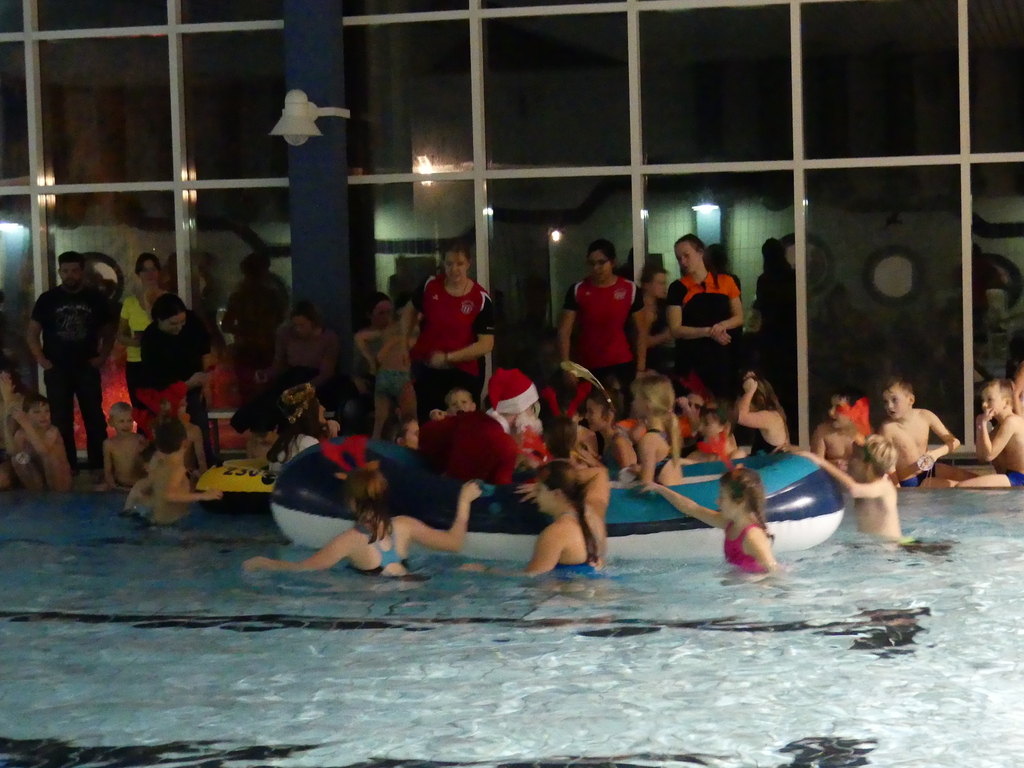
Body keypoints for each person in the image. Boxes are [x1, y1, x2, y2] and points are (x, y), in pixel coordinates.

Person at [243, 465, 481, 577]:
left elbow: (303, 568)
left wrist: (264, 562)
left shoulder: (350, 540)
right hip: (414, 584)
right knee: (471, 568)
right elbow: (455, 543)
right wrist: (464, 501)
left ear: (351, 502)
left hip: (379, 600)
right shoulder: (405, 526)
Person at [26, 251, 115, 475]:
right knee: (60, 419)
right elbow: (32, 333)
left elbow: (109, 332)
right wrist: (42, 361)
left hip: (87, 366)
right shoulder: (47, 299)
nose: (70, 275)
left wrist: (102, 358)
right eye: (65, 271)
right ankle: (67, 467)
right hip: (57, 368)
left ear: (82, 271)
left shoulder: (95, 298)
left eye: (74, 270)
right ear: (59, 272)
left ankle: (99, 467)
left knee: (94, 418)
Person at [403, 243, 495, 423]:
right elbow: (409, 310)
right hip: (429, 367)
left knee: (462, 423)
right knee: (429, 421)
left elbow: (486, 344)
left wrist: (448, 358)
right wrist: (404, 343)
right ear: (443, 264)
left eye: (459, 264)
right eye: (449, 263)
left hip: (463, 371)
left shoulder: (480, 298)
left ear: (468, 264)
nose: (454, 269)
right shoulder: (430, 285)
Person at [466, 460, 604, 576]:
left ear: (557, 494)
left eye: (538, 490)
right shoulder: (593, 518)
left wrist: (486, 570)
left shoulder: (556, 533)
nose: (536, 496)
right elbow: (600, 473)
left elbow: (531, 578)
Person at [231, 301, 341, 435]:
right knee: (269, 400)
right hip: (291, 378)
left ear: (313, 323)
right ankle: (257, 429)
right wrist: (265, 374)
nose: (297, 329)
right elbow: (279, 365)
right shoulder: (285, 334)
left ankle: (283, 434)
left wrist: (302, 389)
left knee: (288, 402)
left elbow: (326, 373)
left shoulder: (328, 338)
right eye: (295, 325)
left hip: (313, 382)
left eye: (302, 325)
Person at [645, 467, 778, 574]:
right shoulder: (729, 523)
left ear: (739, 502)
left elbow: (774, 570)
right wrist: (659, 488)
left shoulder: (752, 537)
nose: (717, 501)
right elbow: (692, 509)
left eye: (722, 497)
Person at [418, 367, 537, 486]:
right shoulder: (505, 444)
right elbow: (501, 490)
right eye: (531, 408)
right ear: (519, 410)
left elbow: (426, 432)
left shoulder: (471, 418)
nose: (533, 415)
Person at [139, 293, 216, 466]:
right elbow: (155, 379)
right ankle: (172, 466)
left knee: (199, 423)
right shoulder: (151, 339)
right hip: (167, 390)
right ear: (159, 320)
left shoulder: (193, 322)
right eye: (173, 324)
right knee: (169, 430)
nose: (179, 327)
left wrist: (205, 382)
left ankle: (206, 465)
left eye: (182, 322)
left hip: (195, 382)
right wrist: (186, 386)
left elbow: (205, 351)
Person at [557, 239, 645, 390]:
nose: (596, 268)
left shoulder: (629, 289)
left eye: (601, 263)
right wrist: (566, 366)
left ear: (612, 262)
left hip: (621, 361)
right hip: (588, 364)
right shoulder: (578, 290)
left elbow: (641, 331)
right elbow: (564, 331)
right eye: (591, 263)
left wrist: (640, 369)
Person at [667, 235, 743, 400]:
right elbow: (675, 329)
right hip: (692, 357)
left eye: (686, 255)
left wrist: (721, 326)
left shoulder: (726, 281)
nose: (683, 262)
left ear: (700, 252)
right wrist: (709, 331)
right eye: (679, 258)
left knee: (722, 403)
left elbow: (738, 317)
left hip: (722, 355)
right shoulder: (677, 288)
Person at [797, 435, 901, 540]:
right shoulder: (863, 482)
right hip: (870, 544)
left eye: (854, 458)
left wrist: (821, 461)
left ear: (867, 467)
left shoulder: (884, 486)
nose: (849, 461)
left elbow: (854, 490)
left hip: (890, 545)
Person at [123, 419, 222, 526]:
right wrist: (204, 496)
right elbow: (169, 495)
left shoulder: (160, 462)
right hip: (170, 526)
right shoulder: (177, 468)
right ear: (185, 442)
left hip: (155, 521)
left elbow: (153, 486)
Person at [220, 251, 289, 402]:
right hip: (266, 347)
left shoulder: (239, 296)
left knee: (248, 392)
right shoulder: (273, 296)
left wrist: (244, 332)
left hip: (247, 349)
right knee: (268, 391)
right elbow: (282, 319)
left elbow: (226, 325)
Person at [878, 377, 964, 488]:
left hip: (929, 470)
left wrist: (936, 454)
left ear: (911, 400)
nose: (889, 406)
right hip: (909, 481)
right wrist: (897, 489)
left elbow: (954, 442)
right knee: (957, 487)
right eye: (886, 402)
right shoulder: (888, 429)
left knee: (972, 480)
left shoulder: (925, 416)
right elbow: (888, 465)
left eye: (894, 400)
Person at [752, 238, 797, 436]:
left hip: (772, 337)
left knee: (774, 387)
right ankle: (793, 428)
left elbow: (761, 310)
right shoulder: (792, 276)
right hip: (791, 336)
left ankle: (777, 430)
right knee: (792, 387)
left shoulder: (765, 279)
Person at [358, 299, 414, 440]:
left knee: (379, 424)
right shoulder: (407, 329)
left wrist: (373, 360)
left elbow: (359, 337)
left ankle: (374, 449)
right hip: (401, 377)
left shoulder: (385, 331)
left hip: (383, 376)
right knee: (410, 420)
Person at [952, 380, 1024, 488]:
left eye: (990, 400)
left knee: (962, 487)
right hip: (1010, 476)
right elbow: (982, 457)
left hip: (1020, 477)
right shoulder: (997, 429)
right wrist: (980, 426)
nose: (984, 405)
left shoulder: (1012, 422)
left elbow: (989, 455)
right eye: (983, 400)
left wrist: (983, 423)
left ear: (1006, 402)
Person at [117, 254, 167, 409]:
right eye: (145, 270)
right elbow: (120, 335)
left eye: (153, 269)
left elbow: (175, 330)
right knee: (140, 411)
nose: (149, 274)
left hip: (161, 361)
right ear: (138, 274)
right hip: (136, 363)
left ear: (159, 272)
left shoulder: (168, 300)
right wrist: (136, 342)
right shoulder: (130, 302)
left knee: (161, 410)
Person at [267, 383, 339, 474]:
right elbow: (328, 474)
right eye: (318, 404)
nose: (323, 408)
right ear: (309, 411)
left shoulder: (282, 443)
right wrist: (334, 440)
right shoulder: (307, 443)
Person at [8, 393, 73, 492]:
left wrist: (27, 425)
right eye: (36, 412)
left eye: (47, 411)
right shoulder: (21, 434)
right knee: (17, 459)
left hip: (60, 482)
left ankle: (57, 494)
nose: (43, 415)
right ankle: (36, 492)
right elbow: (14, 453)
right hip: (39, 478)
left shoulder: (52, 431)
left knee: (50, 458)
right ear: (26, 415)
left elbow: (43, 452)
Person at [629, 373, 683, 485]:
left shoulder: (649, 440)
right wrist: (641, 471)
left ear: (648, 404)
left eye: (635, 398)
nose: (632, 403)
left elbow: (647, 485)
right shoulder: (665, 434)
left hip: (663, 495)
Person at [579, 386, 636, 479]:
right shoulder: (607, 440)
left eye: (591, 412)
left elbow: (628, 478)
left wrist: (595, 463)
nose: (586, 417)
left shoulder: (619, 442)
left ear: (609, 415)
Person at [810, 387, 871, 472]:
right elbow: (815, 466)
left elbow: (874, 466)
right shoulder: (823, 432)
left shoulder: (867, 434)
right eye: (831, 407)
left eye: (838, 408)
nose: (831, 412)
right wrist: (832, 464)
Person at [96, 402, 147, 491]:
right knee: (99, 489)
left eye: (129, 421)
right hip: (119, 485)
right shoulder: (109, 444)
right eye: (121, 421)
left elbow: (148, 465)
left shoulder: (140, 439)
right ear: (111, 422)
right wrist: (113, 487)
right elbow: (108, 471)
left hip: (139, 484)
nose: (126, 425)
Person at [736, 372, 789, 454]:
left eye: (746, 397)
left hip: (773, 460)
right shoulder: (775, 411)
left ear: (759, 399)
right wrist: (753, 379)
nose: (742, 401)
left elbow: (739, 417)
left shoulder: (770, 417)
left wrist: (750, 391)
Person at [636, 263, 673, 375]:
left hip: (662, 360)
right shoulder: (639, 308)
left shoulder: (663, 306)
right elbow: (640, 342)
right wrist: (664, 336)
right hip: (644, 364)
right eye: (660, 283)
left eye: (665, 283)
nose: (664, 287)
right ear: (647, 285)